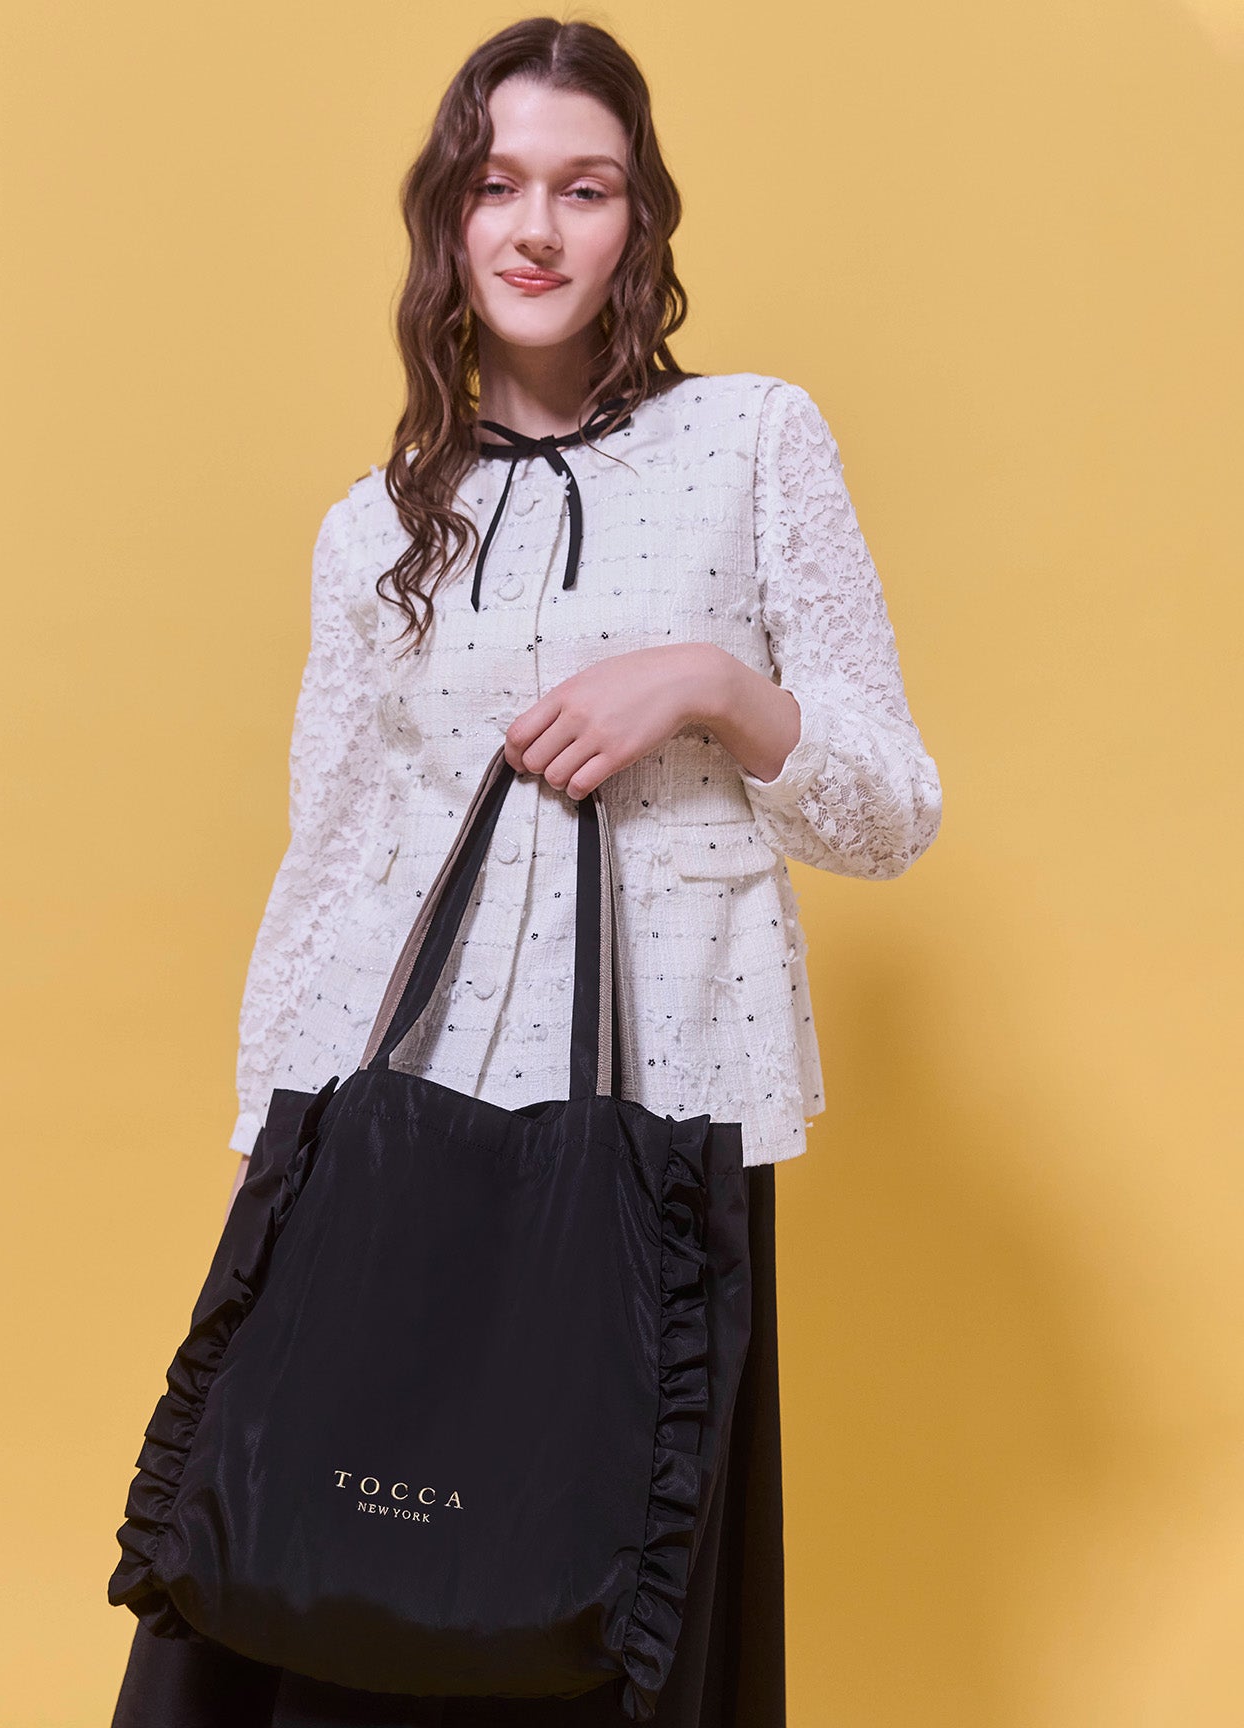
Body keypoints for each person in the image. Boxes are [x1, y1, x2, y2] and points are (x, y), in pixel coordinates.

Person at [111, 17, 942, 1728]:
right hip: (406, 1123)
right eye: (498, 186)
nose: (539, 229)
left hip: (663, 1137)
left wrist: (707, 685)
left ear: (641, 220)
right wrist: (280, 1164)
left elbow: (890, 812)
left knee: (589, 1607)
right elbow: (335, 859)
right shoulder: (375, 525)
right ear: (448, 215)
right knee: (331, 1577)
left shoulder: (752, 442)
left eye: (587, 188)